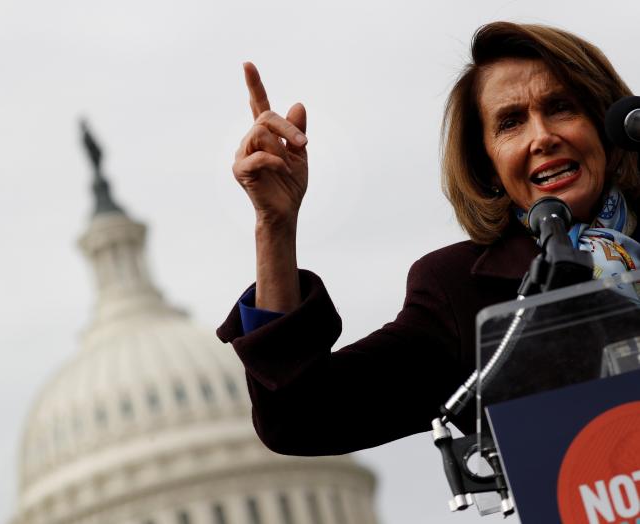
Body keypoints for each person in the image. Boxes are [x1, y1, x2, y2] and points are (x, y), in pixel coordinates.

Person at [216, 22, 640, 456]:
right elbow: (302, 418)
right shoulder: (461, 292)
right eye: (511, 123)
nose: (542, 137)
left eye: (562, 108)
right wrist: (275, 226)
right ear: (488, 166)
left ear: (608, 126)